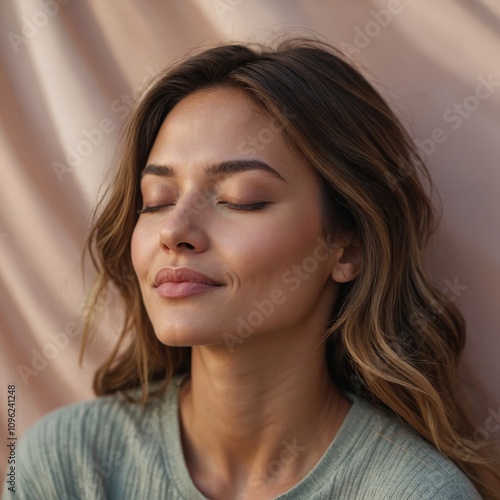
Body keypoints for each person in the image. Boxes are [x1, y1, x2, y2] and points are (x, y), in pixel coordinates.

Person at [4, 37, 499, 500]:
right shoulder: (65, 464)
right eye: (156, 200)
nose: (174, 230)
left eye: (241, 200)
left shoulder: (415, 492)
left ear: (348, 248)